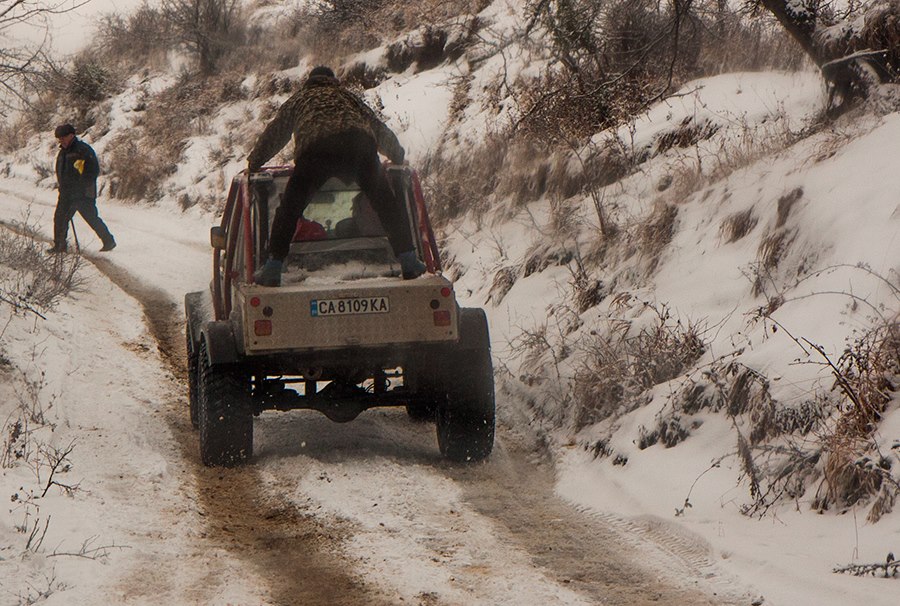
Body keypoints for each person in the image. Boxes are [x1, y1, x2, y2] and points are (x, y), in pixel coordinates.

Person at [247, 65, 425, 286]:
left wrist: (255, 162)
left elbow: (275, 134)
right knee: (385, 202)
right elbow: (377, 127)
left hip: (317, 150)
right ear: (333, 80)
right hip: (359, 146)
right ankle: (408, 260)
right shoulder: (348, 97)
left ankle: (273, 267)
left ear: (309, 81)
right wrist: (396, 154)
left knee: (290, 208)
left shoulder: (299, 99)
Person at [49, 123, 116, 253]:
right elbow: (61, 171)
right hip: (66, 193)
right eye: (59, 138)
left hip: (83, 193)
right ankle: (59, 246)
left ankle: (109, 241)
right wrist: (62, 186)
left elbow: (93, 171)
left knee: (91, 218)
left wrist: (80, 186)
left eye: (63, 137)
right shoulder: (62, 153)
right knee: (60, 218)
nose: (61, 140)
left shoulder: (83, 150)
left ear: (71, 135)